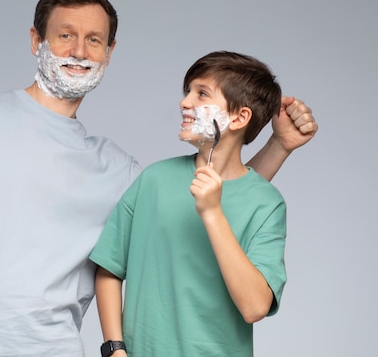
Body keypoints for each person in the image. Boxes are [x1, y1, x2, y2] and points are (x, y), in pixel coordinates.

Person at [0, 0, 317, 357]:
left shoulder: (122, 171)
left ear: (109, 52)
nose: (79, 50)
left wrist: (277, 145)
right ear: (37, 40)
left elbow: (206, 196)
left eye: (94, 39)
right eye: (65, 35)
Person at [90, 51, 300, 357]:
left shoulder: (266, 203)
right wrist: (115, 350)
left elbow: (255, 307)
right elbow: (109, 268)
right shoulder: (154, 179)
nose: (185, 102)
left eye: (202, 93)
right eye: (187, 91)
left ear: (240, 117)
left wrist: (213, 213)